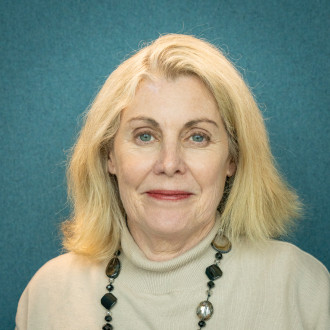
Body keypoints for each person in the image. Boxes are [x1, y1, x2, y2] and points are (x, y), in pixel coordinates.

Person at [16, 34, 329, 330]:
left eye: (197, 137)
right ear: (109, 155)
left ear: (232, 158)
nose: (169, 164)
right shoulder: (47, 294)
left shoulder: (302, 289)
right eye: (145, 135)